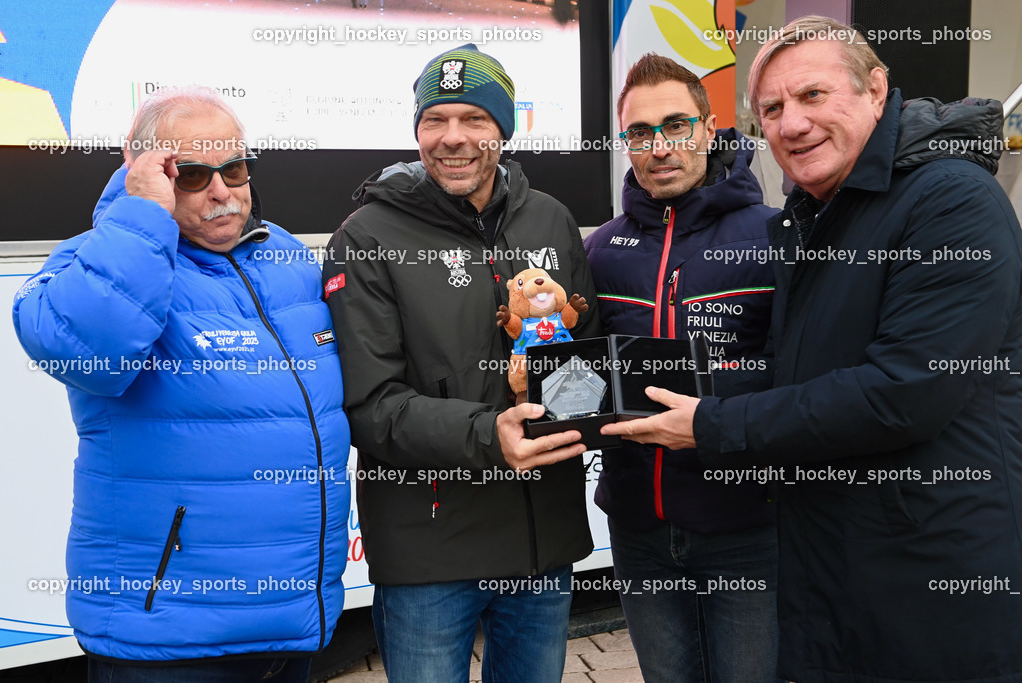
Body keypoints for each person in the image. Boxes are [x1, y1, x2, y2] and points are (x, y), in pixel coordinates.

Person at [603, 15, 1022, 683]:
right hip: (834, 560)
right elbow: (795, 373)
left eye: (812, 96)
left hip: (932, 573)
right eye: (772, 107)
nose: (791, 124)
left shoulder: (949, 200)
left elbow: (902, 393)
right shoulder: (820, 215)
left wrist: (709, 424)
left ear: (876, 89)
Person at [13, 86, 350, 682]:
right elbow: (84, 346)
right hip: (168, 635)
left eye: (235, 168)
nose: (222, 190)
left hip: (288, 623)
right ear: (145, 172)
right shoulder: (99, 260)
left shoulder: (288, 258)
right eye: (191, 174)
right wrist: (142, 216)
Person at [322, 44, 600, 683]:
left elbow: (584, 360)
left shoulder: (552, 219)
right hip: (430, 550)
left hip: (540, 542)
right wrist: (488, 434)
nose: (453, 139)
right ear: (416, 129)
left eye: (474, 119)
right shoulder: (366, 237)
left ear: (504, 128)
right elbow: (370, 407)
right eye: (434, 120)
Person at [584, 54, 779, 682]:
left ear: (708, 125)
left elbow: (804, 375)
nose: (659, 146)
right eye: (639, 132)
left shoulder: (775, 237)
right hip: (639, 526)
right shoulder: (601, 250)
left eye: (676, 125)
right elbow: (581, 373)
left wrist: (714, 410)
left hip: (745, 525)